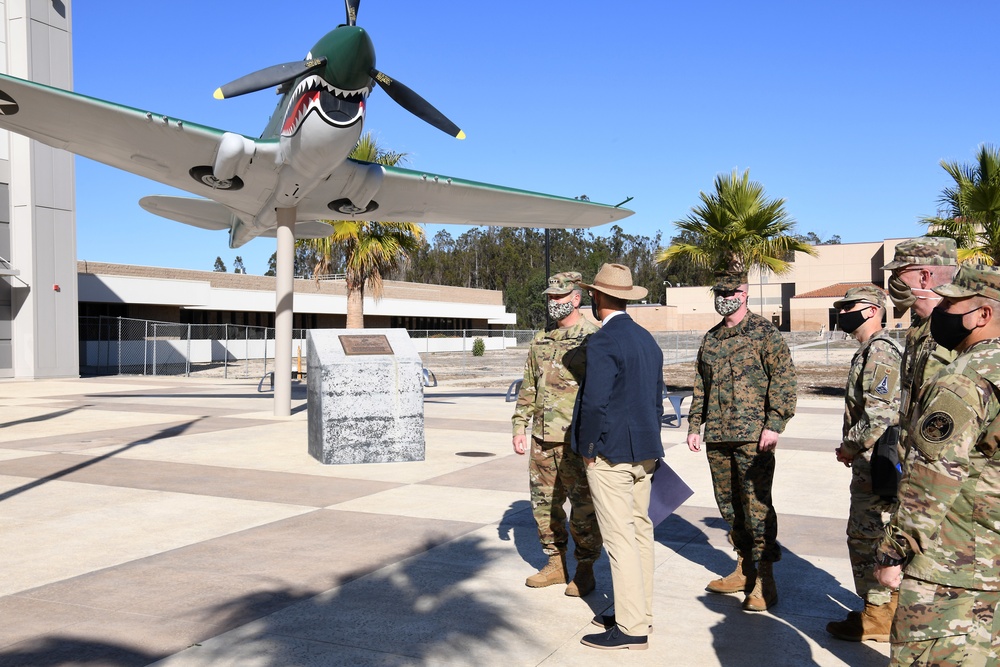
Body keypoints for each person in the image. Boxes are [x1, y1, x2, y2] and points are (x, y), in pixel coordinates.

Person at [874, 263, 1000, 666]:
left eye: (952, 303)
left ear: (982, 315)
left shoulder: (964, 381)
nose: (941, 311)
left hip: (952, 567)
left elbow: (931, 480)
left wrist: (894, 552)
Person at [687, 272, 796, 612]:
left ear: (745, 293)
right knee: (730, 506)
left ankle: (765, 579)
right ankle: (743, 566)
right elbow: (701, 385)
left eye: (730, 291)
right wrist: (694, 424)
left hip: (753, 437)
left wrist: (775, 423)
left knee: (757, 507)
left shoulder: (764, 333)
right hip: (718, 435)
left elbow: (784, 378)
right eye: (719, 292)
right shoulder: (712, 338)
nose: (724, 297)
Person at [572, 263, 664, 651]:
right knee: (641, 531)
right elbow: (656, 399)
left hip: (611, 454)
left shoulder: (604, 342)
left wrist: (589, 449)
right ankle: (637, 612)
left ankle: (630, 629)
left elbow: (594, 403)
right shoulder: (646, 339)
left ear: (597, 296)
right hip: (645, 451)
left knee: (620, 538)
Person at [511, 271, 602, 597]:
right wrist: (519, 425)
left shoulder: (593, 338)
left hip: (576, 441)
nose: (553, 303)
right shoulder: (541, 339)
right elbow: (529, 386)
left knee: (583, 508)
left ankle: (585, 567)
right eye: (550, 297)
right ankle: (555, 563)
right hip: (541, 438)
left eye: (559, 297)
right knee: (544, 506)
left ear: (576, 299)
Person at [825, 286, 902, 642]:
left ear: (872, 311)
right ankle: (883, 610)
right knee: (871, 535)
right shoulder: (869, 350)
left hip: (875, 465)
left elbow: (879, 413)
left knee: (866, 537)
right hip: (870, 464)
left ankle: (878, 616)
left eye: (849, 307)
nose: (842, 313)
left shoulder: (881, 351)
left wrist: (849, 448)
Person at [882, 236, 959, 449]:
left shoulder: (953, 330)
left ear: (924, 277)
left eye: (898, 274)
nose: (893, 282)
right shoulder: (920, 327)